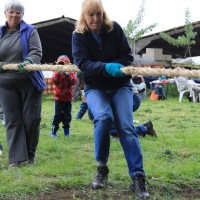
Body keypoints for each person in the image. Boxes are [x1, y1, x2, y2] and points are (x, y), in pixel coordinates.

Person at [72, 0, 149, 198]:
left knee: (125, 125)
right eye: (91, 15)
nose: (95, 19)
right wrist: (106, 67)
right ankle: (102, 169)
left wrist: (114, 66)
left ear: (103, 14)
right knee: (104, 118)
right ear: (84, 17)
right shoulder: (78, 36)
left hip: (120, 86)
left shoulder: (114, 29)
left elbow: (127, 56)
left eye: (98, 14)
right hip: (95, 87)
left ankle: (138, 177)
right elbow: (83, 64)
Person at [0, 0, 46, 168]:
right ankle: (16, 159)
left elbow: (36, 51)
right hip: (5, 83)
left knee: (31, 119)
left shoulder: (30, 31)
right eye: (11, 12)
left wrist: (28, 62)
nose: (14, 15)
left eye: (18, 12)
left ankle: (30, 154)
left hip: (29, 81)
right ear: (5, 14)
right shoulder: (0, 32)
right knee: (13, 120)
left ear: (22, 15)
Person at [51, 55, 77, 138]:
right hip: (58, 98)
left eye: (65, 64)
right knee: (57, 115)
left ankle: (66, 132)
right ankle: (54, 132)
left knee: (67, 116)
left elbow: (73, 82)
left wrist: (67, 75)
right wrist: (59, 73)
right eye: (61, 63)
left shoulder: (71, 72)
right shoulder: (56, 72)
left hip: (67, 98)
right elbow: (54, 81)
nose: (63, 66)